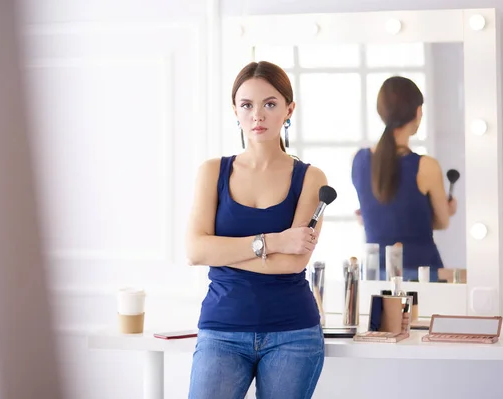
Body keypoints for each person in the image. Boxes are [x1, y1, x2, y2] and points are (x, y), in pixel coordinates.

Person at [185, 61, 328, 399]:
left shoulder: (311, 178)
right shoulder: (211, 172)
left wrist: (220, 252)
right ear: (235, 110)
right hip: (221, 330)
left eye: (270, 104)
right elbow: (194, 251)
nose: (257, 115)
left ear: (289, 109)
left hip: (293, 333)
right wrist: (273, 242)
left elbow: (293, 263)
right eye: (247, 105)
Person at [351, 76, 457, 282]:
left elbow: (378, 217)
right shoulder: (426, 166)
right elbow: (441, 223)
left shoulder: (359, 160)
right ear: (418, 112)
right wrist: (447, 209)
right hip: (423, 276)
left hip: (375, 277)